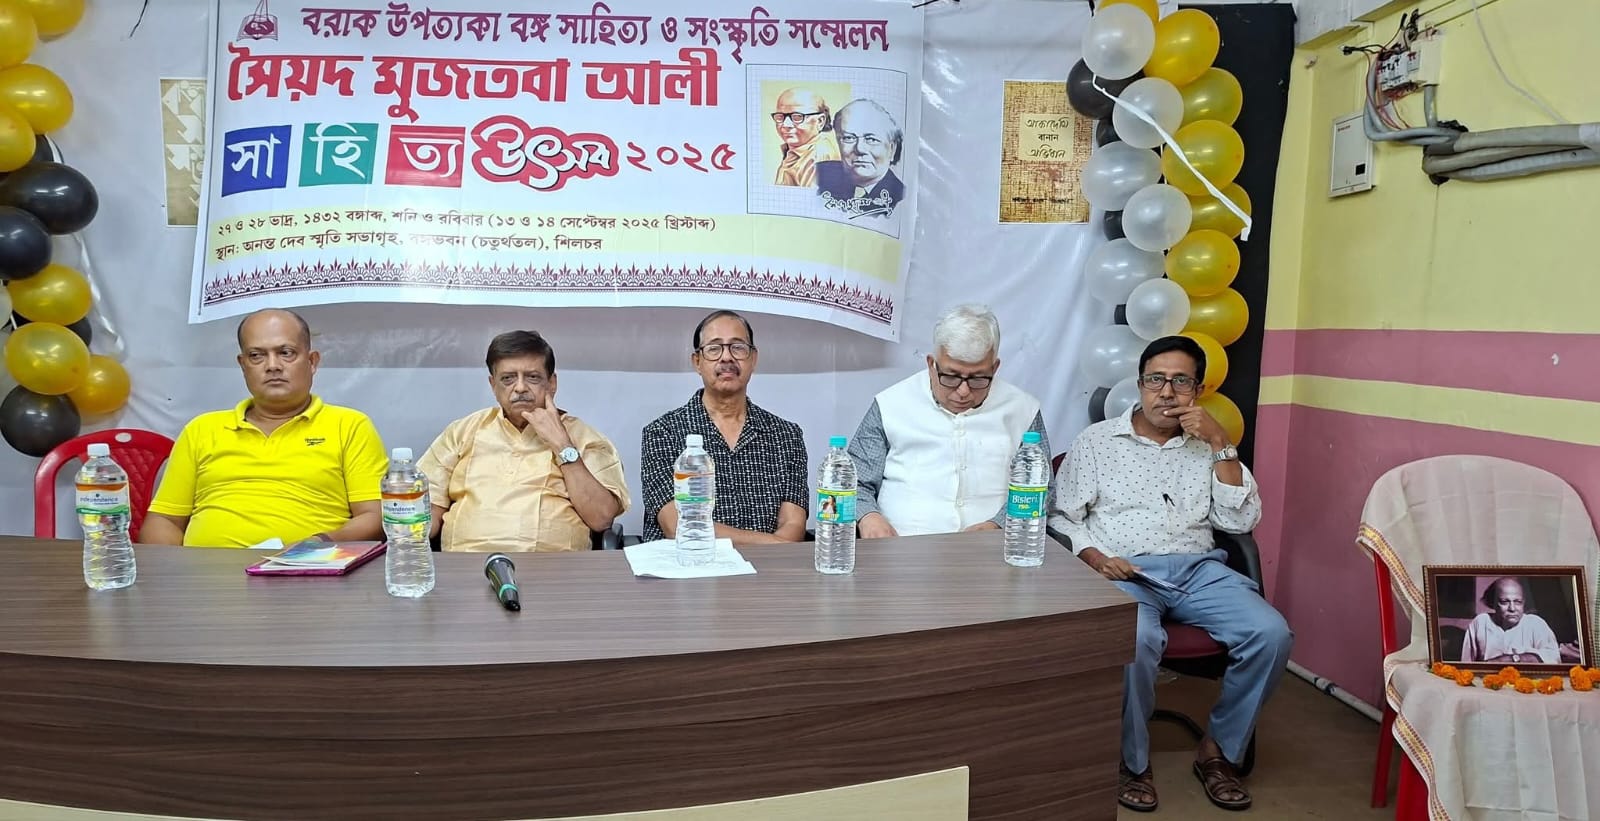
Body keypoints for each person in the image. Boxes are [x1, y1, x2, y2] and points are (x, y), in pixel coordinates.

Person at [1050, 335, 1292, 814]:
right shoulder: (1097, 442)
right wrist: (1097, 558)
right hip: (1125, 570)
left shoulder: (1209, 447)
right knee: (1135, 638)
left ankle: (1218, 751)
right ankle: (1132, 761)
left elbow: (1240, 522)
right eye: (1156, 379)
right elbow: (1062, 516)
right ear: (1139, 385)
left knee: (1271, 634)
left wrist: (1221, 444)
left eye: (1181, 381)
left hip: (1199, 571)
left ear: (1198, 390)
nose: (1167, 392)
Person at [141, 309, 387, 548]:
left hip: (307, 567)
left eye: (286, 353)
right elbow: (164, 519)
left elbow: (374, 517)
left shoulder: (349, 426)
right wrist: (173, 568)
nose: (273, 366)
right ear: (243, 365)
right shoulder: (201, 429)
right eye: (257, 355)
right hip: (206, 572)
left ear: (312, 362)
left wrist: (317, 544)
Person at [417, 331, 628, 552]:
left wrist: (562, 445)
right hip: (464, 564)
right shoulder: (462, 432)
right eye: (508, 378)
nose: (520, 388)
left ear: (551, 383)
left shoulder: (584, 437)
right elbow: (425, 512)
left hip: (555, 567)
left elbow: (601, 519)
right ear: (493, 385)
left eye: (532, 377)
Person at [850, 304, 1048, 538]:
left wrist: (998, 525)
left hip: (995, 547)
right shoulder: (891, 405)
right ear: (931, 364)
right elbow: (853, 481)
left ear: (995, 368)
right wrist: (868, 517)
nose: (963, 391)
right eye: (951, 377)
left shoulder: (1023, 410)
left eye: (977, 379)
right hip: (903, 546)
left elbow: (1041, 489)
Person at [640, 310, 808, 544]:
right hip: (688, 564)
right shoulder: (662, 433)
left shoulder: (786, 436)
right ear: (697, 362)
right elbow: (677, 525)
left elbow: (793, 526)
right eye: (714, 349)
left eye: (738, 347)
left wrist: (768, 554)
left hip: (766, 567)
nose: (727, 357)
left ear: (753, 359)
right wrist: (772, 545)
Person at [816, 98, 905, 215]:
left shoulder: (901, 199)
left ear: (892, 149)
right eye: (849, 138)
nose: (860, 149)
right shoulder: (817, 175)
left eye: (871, 139)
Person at [1461, 577, 1563, 664]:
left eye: (1518, 602)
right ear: (1493, 603)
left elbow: (1554, 658)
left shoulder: (1535, 624)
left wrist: (1509, 659)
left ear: (1524, 602)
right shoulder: (1481, 622)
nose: (1512, 608)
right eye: (1505, 602)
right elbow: (1466, 664)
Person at [771, 87, 839, 187]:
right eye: (780, 117)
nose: (786, 124)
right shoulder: (796, 151)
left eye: (797, 117)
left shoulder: (820, 155)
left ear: (820, 121)